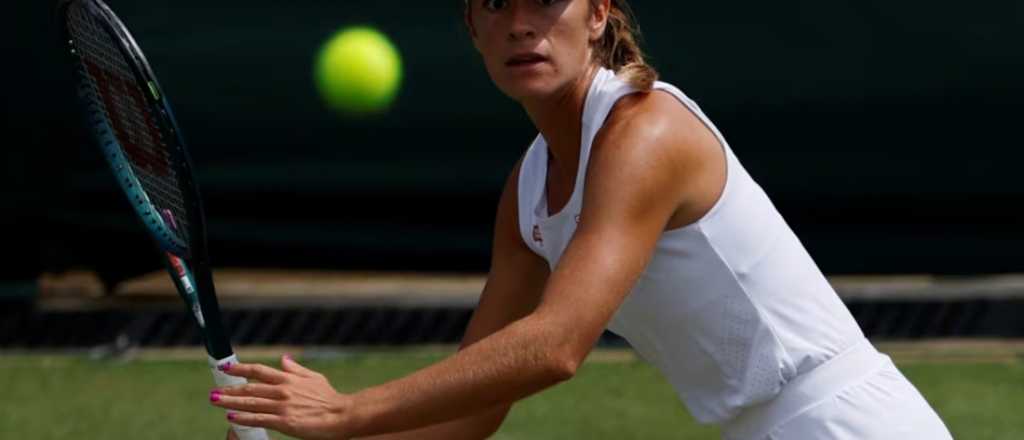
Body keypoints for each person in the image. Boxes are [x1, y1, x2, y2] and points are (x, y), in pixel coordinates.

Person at [211, 1, 953, 438]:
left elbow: (555, 346)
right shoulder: (528, 191)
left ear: (599, 15)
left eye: (547, 0)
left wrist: (347, 410)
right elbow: (475, 406)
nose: (521, 25)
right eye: (497, 1)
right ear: (472, 26)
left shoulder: (646, 132)